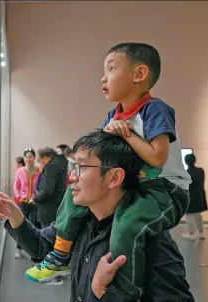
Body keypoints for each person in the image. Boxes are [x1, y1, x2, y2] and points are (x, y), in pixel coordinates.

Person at [26, 42, 191, 299]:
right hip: (137, 184)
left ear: (139, 74)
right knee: (72, 195)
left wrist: (128, 136)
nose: (103, 77)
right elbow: (99, 149)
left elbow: (158, 158)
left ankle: (125, 292)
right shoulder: (113, 115)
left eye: (112, 69)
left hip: (166, 189)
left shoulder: (154, 109)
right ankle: (60, 254)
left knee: (126, 227)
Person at [0, 130, 194, 301]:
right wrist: (15, 215)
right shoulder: (81, 223)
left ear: (114, 177)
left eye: (81, 167)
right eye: (73, 167)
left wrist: (103, 291)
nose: (71, 178)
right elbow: (40, 246)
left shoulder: (152, 241)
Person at [30, 147, 68, 228]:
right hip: (57, 207)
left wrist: (35, 199)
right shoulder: (61, 163)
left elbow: (47, 191)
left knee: (47, 237)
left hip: (48, 209)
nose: (41, 163)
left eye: (40, 160)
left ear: (46, 157)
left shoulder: (51, 167)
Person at [14, 148, 41, 259]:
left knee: (34, 227)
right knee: (21, 226)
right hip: (23, 203)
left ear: (34, 158)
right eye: (26, 157)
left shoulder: (39, 171)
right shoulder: (20, 171)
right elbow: (16, 186)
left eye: (31, 156)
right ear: (24, 158)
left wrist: (36, 197)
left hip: (35, 203)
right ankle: (18, 249)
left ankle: (32, 251)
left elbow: (41, 186)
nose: (28, 159)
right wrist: (19, 197)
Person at [182, 153, 208, 240]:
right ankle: (201, 233)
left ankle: (191, 233)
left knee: (189, 215)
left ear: (186, 162)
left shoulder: (185, 173)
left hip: (190, 197)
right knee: (198, 214)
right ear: (194, 160)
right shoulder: (201, 171)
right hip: (200, 196)